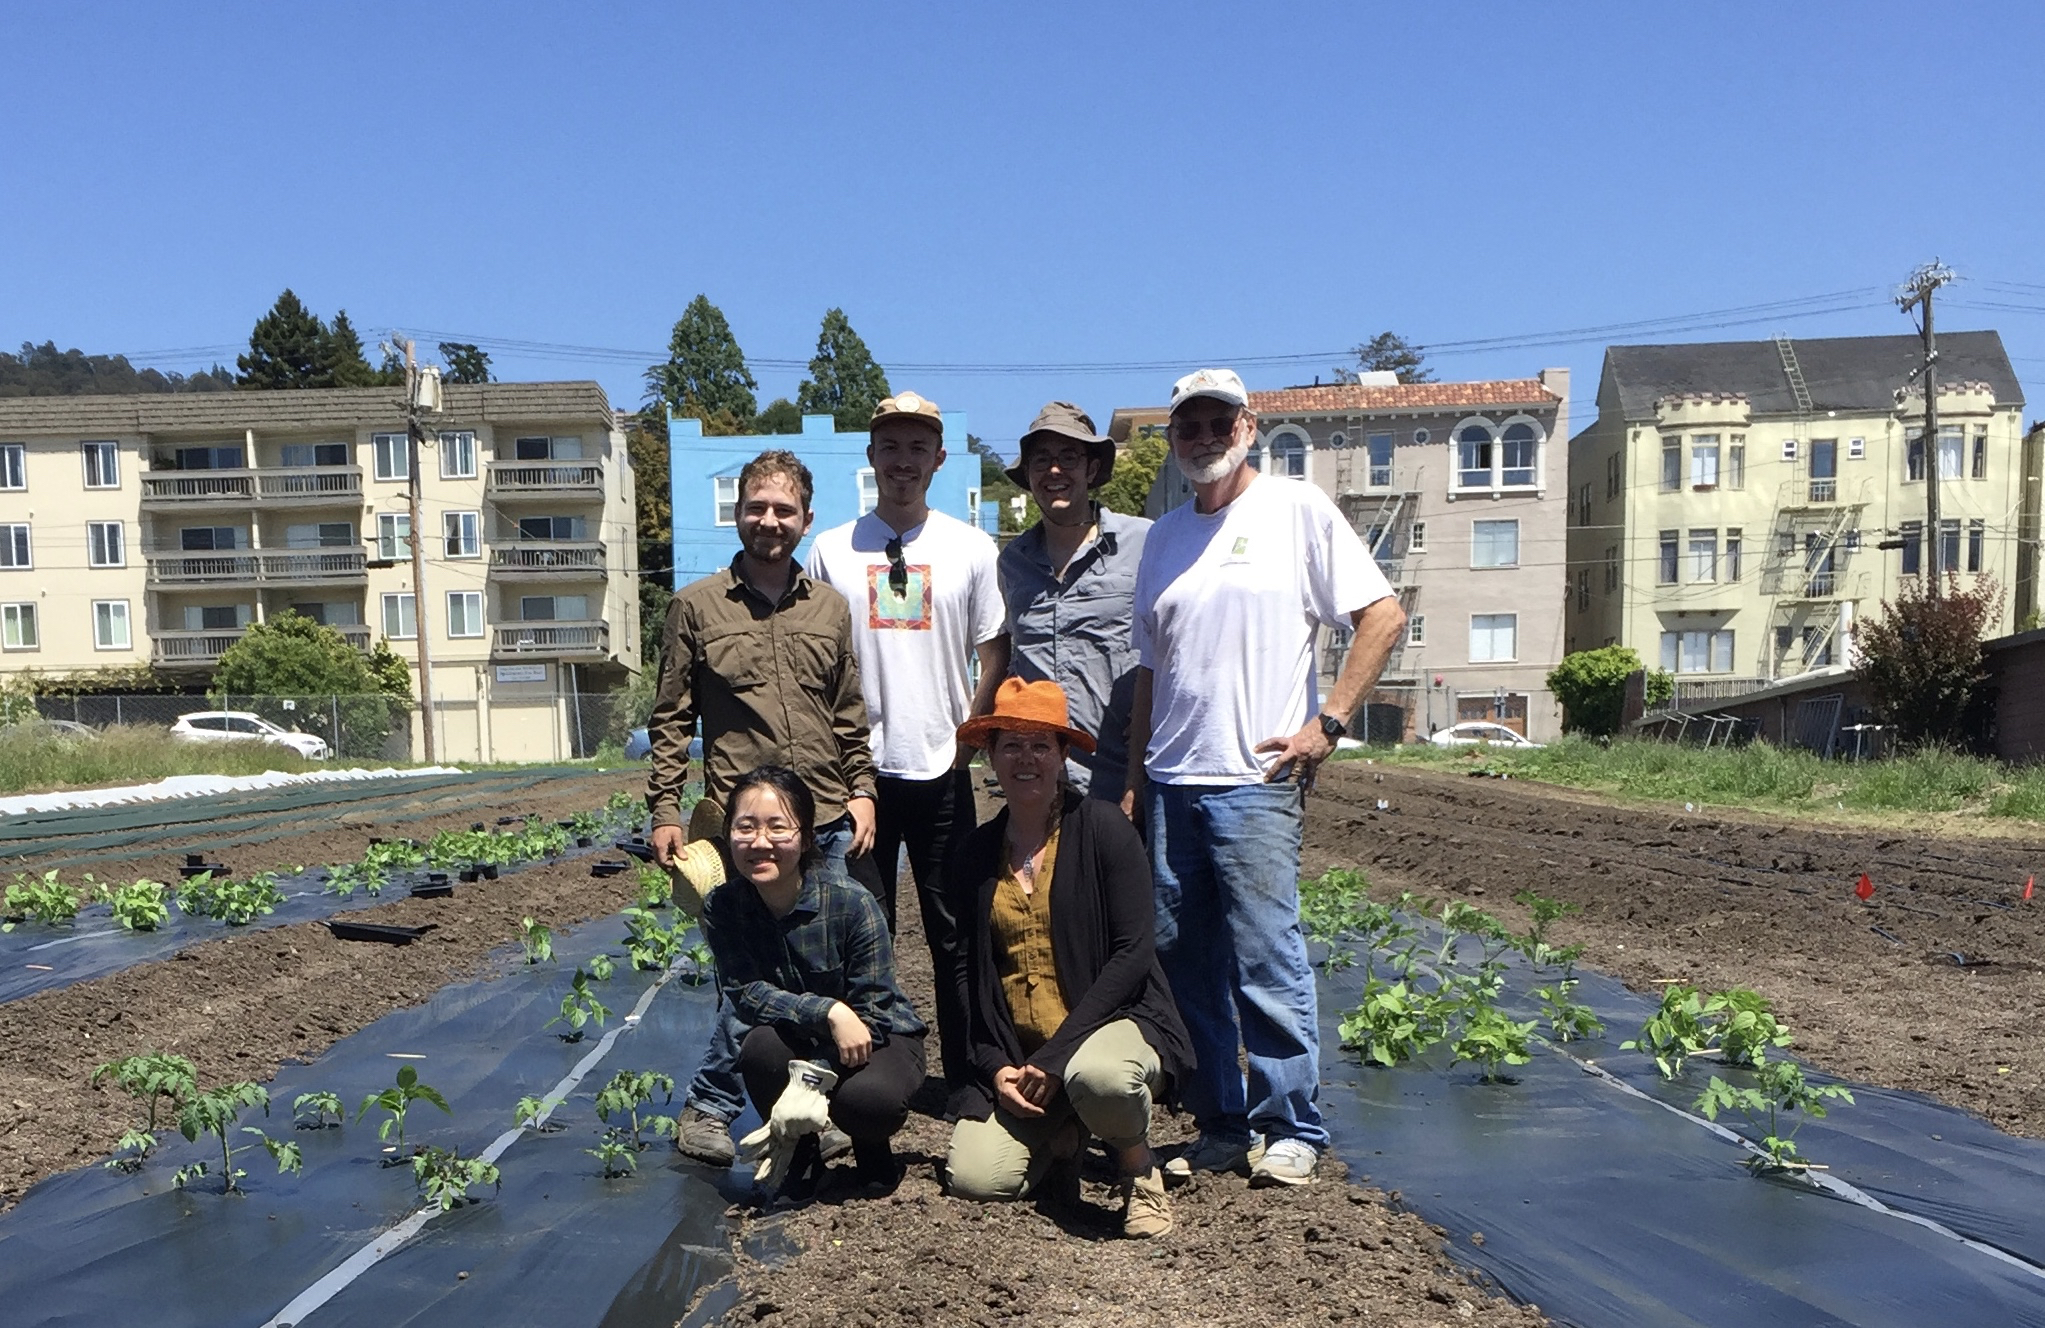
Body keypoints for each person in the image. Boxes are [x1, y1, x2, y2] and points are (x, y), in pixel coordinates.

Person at [1125, 368, 1405, 1188]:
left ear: (1248, 427)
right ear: (1174, 442)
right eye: (1188, 428)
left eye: (1219, 423)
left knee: (1264, 954)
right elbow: (1149, 670)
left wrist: (1329, 724)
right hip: (1173, 778)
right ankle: (1220, 1120)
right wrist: (1139, 774)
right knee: (1186, 960)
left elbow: (1380, 615)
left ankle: (1291, 1125)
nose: (1203, 438)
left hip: (1254, 779)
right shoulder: (1165, 537)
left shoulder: (1296, 510)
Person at [646, 448, 881, 1168]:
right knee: (750, 972)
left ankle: (810, 1107)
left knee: (823, 972)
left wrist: (863, 788)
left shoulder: (831, 609)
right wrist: (663, 808)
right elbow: (670, 719)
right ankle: (708, 1108)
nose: (769, 521)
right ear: (739, 515)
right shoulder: (696, 606)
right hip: (744, 825)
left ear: (805, 519)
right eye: (756, 508)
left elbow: (847, 713)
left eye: (783, 510)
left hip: (824, 820)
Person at [805, 390, 1007, 1094]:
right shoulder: (831, 550)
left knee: (954, 932)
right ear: (871, 457)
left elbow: (994, 651)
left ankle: (964, 1078)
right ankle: (878, 1080)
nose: (903, 460)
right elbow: (815, 661)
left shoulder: (971, 548)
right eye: (890, 445)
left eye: (917, 447)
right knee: (867, 933)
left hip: (942, 768)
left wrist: (969, 735)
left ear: (938, 459)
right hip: (858, 778)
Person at [945, 678, 1193, 1238]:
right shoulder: (976, 854)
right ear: (992, 755)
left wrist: (1059, 1057)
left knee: (1102, 1078)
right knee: (976, 1178)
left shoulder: (1103, 829)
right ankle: (1066, 1135)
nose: (1025, 759)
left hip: (1111, 1027)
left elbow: (1133, 954)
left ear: (1062, 755)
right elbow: (965, 971)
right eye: (1011, 745)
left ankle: (1137, 1168)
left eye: (1040, 745)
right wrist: (994, 1067)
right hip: (1027, 1057)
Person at [699, 765, 927, 1200]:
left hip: (878, 1038)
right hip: (803, 1035)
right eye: (745, 827)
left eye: (777, 827)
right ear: (728, 835)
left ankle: (871, 1147)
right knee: (760, 1050)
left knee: (868, 1102)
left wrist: (813, 1076)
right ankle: (802, 1153)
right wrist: (827, 1010)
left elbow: (875, 1014)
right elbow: (745, 994)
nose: (760, 842)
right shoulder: (724, 906)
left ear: (804, 838)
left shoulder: (851, 904)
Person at [997, 402, 1151, 799]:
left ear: (1092, 469)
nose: (1054, 471)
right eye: (1042, 460)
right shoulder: (1012, 563)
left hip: (1123, 778)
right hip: (1042, 784)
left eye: (1069, 457)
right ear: (1028, 475)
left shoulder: (1144, 544)